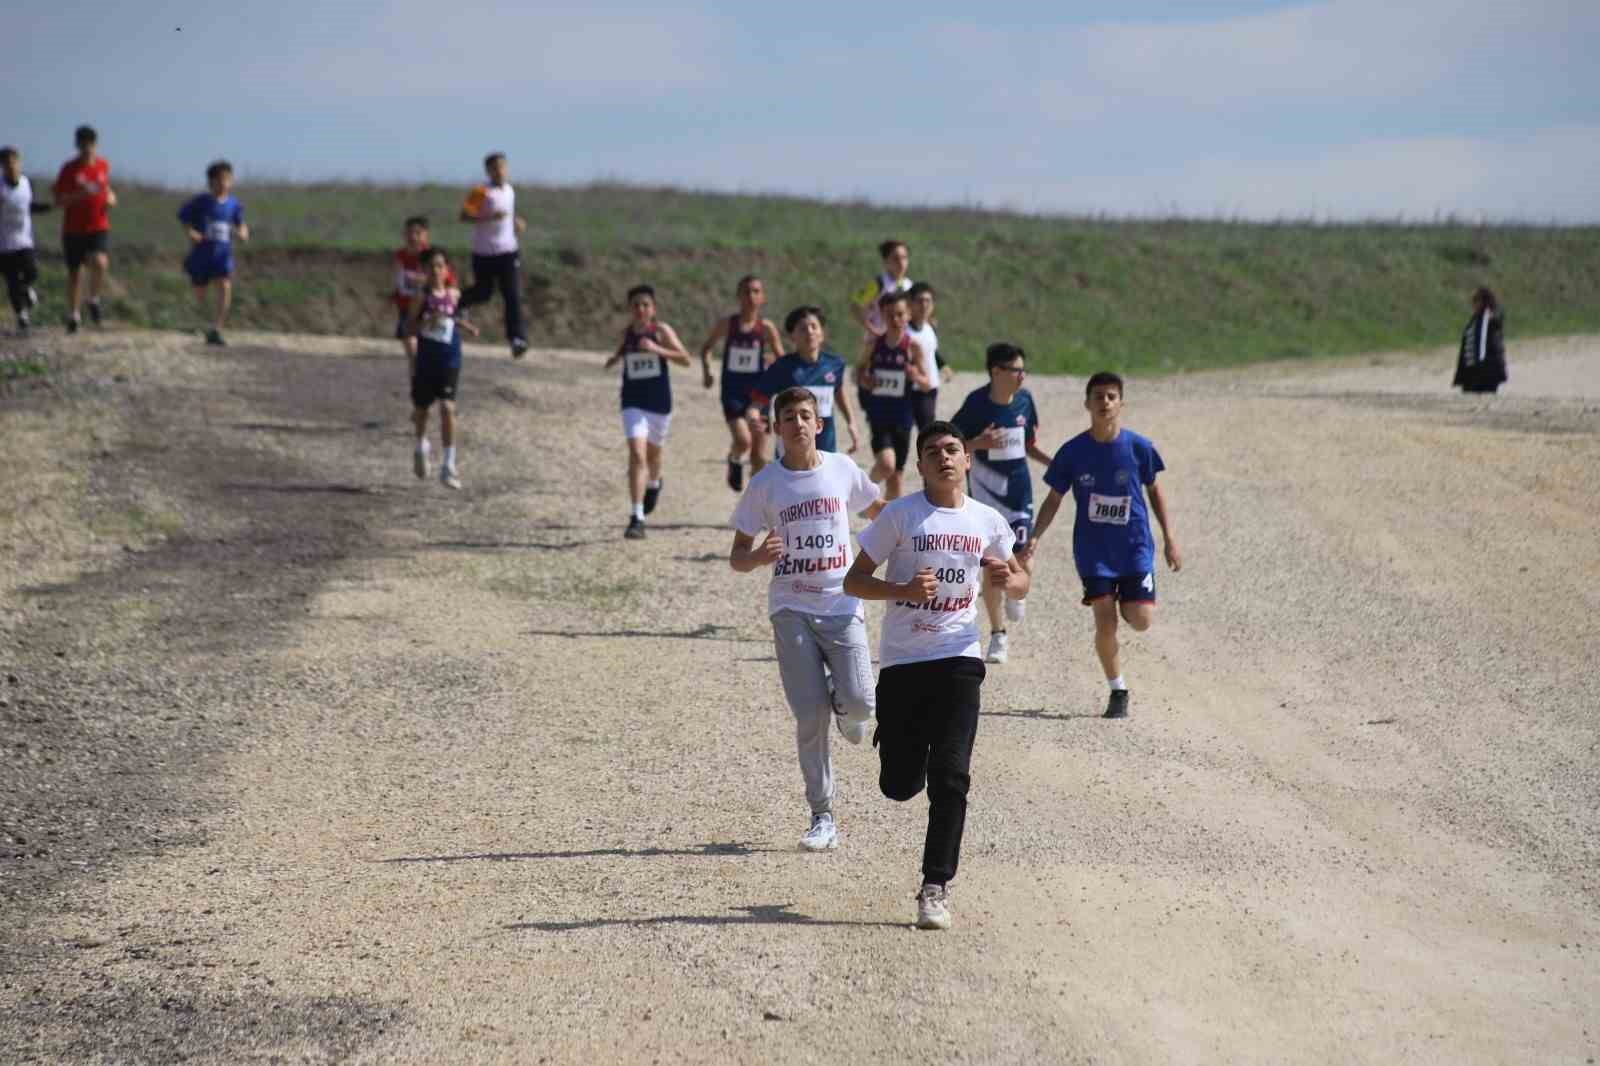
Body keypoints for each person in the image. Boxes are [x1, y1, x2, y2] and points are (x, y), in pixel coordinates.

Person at [844, 421, 1029, 930]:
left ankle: (935, 887)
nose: (944, 458)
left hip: (959, 657)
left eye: (953, 450)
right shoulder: (900, 516)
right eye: (933, 452)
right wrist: (903, 588)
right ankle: (897, 743)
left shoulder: (988, 521)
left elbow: (1020, 581)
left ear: (967, 461)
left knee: (951, 776)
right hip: (904, 662)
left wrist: (1009, 578)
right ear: (920, 466)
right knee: (900, 785)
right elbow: (854, 580)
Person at [730, 386, 886, 851]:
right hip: (791, 608)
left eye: (806, 416)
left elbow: (883, 516)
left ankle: (846, 703)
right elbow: (737, 555)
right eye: (789, 417)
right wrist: (759, 557)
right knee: (809, 714)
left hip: (841, 605)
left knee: (861, 706)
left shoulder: (842, 470)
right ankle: (823, 815)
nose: (798, 424)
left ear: (820, 425)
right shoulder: (764, 485)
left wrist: (908, 542)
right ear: (776, 429)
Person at [1025, 372, 1182, 719]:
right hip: (1093, 552)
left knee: (1141, 621)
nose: (1105, 402)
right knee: (1104, 622)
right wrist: (1035, 536)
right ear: (1087, 403)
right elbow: (1054, 498)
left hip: (1134, 547)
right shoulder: (1072, 452)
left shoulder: (1139, 447)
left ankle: (1131, 601)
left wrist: (1170, 538)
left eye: (1111, 396)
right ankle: (1117, 689)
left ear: (1120, 404)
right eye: (1098, 396)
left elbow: (1155, 490)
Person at [951, 343, 1053, 664]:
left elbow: (1029, 444)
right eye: (1015, 370)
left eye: (1023, 370)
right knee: (994, 567)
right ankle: (998, 635)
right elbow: (950, 444)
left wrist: (1053, 463)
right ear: (996, 372)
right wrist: (977, 443)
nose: (1022, 376)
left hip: (1019, 497)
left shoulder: (1025, 401)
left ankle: (1016, 588)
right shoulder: (975, 405)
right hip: (985, 500)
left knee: (1023, 556)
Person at [603, 284, 691, 539]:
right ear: (630, 309)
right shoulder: (627, 333)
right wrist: (615, 359)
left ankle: (654, 483)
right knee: (637, 454)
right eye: (636, 305)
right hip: (632, 402)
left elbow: (685, 359)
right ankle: (636, 516)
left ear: (653, 309)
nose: (640, 309)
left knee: (653, 456)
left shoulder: (661, 331)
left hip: (659, 404)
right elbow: (623, 350)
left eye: (645, 305)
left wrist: (657, 349)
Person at [698, 275, 784, 491]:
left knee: (759, 456)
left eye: (756, 291)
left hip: (760, 394)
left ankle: (758, 503)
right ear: (738, 296)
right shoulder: (728, 324)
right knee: (743, 440)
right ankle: (735, 459)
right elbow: (706, 349)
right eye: (746, 291)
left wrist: (773, 362)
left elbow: (782, 359)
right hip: (733, 392)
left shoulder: (766, 328)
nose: (750, 296)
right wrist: (707, 371)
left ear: (762, 297)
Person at [404, 248, 479, 489]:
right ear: (424, 272)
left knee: (447, 408)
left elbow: (454, 316)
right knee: (422, 411)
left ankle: (449, 465)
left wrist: (467, 326)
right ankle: (421, 445)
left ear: (447, 270)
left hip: (450, 359)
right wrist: (426, 320)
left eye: (440, 266)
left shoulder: (454, 295)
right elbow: (408, 329)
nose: (435, 271)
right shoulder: (420, 298)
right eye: (430, 267)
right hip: (426, 361)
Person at [746, 306, 861, 458]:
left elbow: (838, 391)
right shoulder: (782, 367)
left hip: (825, 450)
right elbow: (755, 405)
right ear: (792, 336)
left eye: (814, 327)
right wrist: (754, 418)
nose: (810, 332)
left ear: (822, 333)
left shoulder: (835, 365)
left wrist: (851, 422)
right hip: (789, 454)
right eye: (802, 328)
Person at [857, 291, 931, 501]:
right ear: (882, 315)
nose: (895, 320)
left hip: (903, 417)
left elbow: (926, 385)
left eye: (900, 314)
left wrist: (915, 375)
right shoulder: (874, 345)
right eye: (889, 315)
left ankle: (890, 525)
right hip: (879, 414)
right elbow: (859, 371)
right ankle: (862, 493)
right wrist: (866, 380)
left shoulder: (913, 347)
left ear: (908, 315)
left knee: (896, 476)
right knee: (886, 465)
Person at [458, 152, 529, 359]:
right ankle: (457, 302)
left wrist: (516, 223)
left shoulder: (510, 190)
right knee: (483, 292)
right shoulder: (481, 191)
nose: (500, 171)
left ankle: (517, 339)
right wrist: (488, 217)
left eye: (503, 167)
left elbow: (507, 213)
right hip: (484, 252)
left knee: (512, 294)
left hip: (508, 251)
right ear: (488, 171)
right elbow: (463, 216)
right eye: (495, 168)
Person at [177, 160, 249, 346]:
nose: (223, 184)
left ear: (231, 181)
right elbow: (183, 216)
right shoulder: (201, 202)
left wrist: (242, 233)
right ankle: (199, 320)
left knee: (224, 285)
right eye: (218, 180)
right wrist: (190, 232)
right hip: (202, 254)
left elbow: (241, 224)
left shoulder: (233, 204)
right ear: (210, 183)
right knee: (200, 291)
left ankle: (217, 327)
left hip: (223, 254)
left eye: (226, 180)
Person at [52, 125, 115, 334]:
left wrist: (111, 199)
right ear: (78, 145)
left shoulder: (103, 166)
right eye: (83, 145)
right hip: (73, 228)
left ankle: (93, 298)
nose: (88, 149)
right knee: (75, 273)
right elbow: (58, 200)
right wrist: (80, 195)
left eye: (91, 145)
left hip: (98, 225)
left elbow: (107, 190)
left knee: (100, 261)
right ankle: (73, 315)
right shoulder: (69, 169)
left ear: (96, 145)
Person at [391, 216, 454, 372]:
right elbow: (398, 283)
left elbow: (449, 282)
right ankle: (417, 381)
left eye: (418, 233)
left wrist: (421, 279)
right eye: (410, 233)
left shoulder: (433, 257)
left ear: (426, 235)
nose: (413, 237)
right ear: (404, 235)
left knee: (434, 351)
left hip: (432, 310)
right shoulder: (400, 256)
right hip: (407, 309)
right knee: (412, 348)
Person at [0, 146, 50, 335]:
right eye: (7, 163)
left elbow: (30, 206)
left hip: (24, 240)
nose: (11, 166)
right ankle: (22, 316)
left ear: (19, 163)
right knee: (12, 280)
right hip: (4, 243)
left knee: (31, 272)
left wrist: (49, 206)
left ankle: (27, 290)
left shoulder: (26, 183)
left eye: (14, 162)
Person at [905, 281, 947, 432]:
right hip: (909, 390)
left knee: (927, 432)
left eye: (928, 301)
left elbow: (932, 352)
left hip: (930, 389)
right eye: (920, 301)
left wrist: (943, 366)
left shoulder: (930, 327)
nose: (924, 305)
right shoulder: (904, 331)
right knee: (903, 434)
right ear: (911, 303)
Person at [1453, 287, 1508, 395]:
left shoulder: (1490, 316)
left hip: (1486, 371)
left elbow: (1497, 319)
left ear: (1483, 302)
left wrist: (1491, 317)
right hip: (1471, 371)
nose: (1473, 305)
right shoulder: (1476, 319)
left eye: (1475, 301)